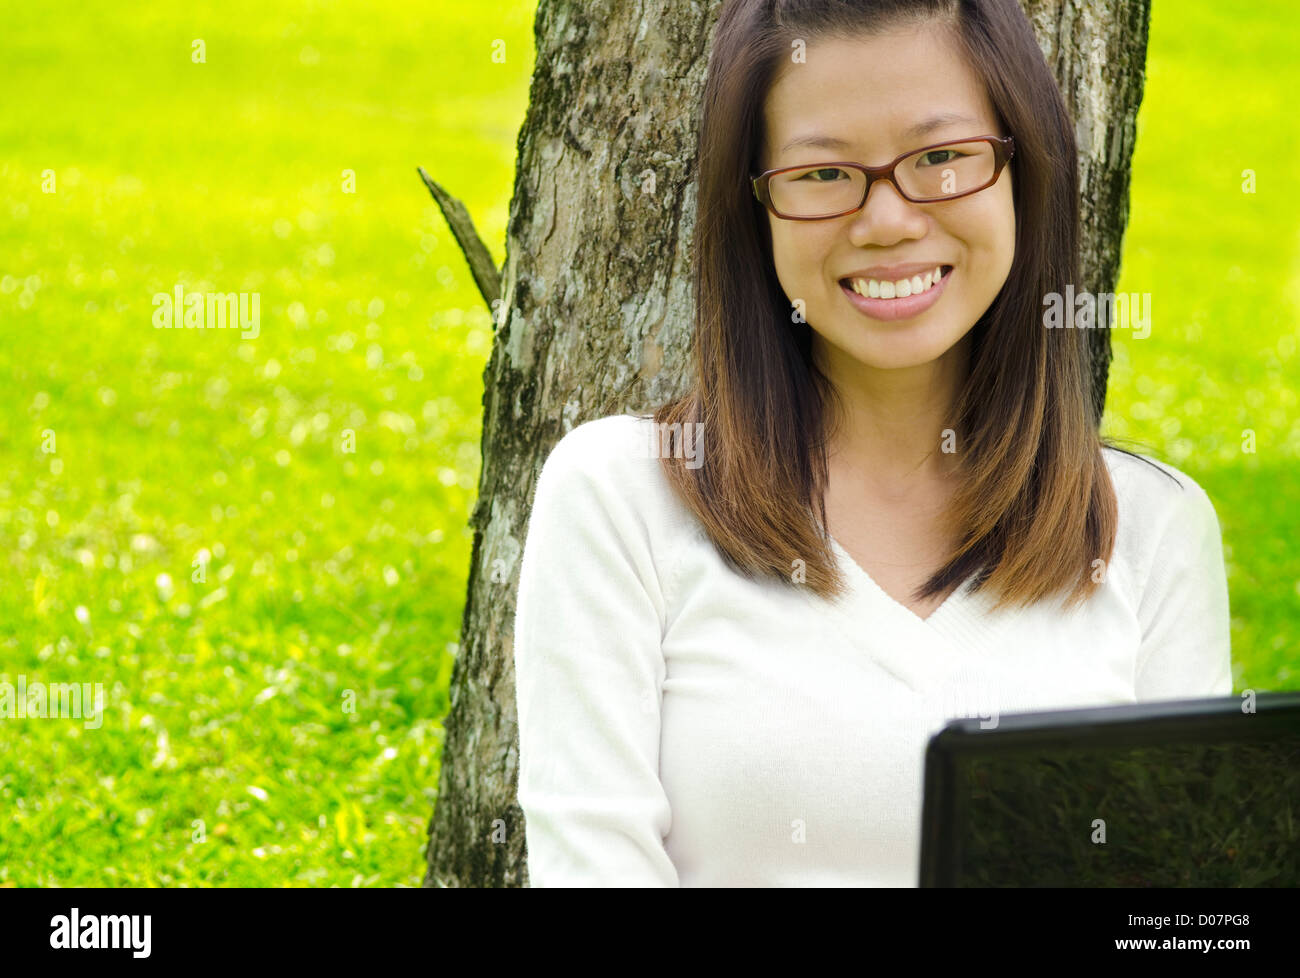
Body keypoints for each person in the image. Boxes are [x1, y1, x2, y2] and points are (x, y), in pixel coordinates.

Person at [512, 0, 1232, 887]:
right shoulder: (621, 496)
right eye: (822, 173)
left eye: (941, 158)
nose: (888, 221)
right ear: (757, 207)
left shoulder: (1150, 529)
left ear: (1023, 171)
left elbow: (1179, 914)